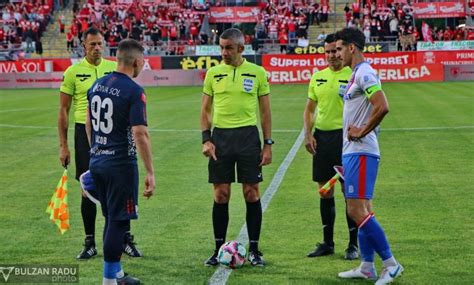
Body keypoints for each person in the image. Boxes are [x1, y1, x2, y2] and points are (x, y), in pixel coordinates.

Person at [58, 27, 142, 260]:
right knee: (87, 190)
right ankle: (89, 242)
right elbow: (63, 111)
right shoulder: (73, 72)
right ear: (83, 46)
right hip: (84, 135)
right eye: (92, 44)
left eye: (100, 44)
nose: (96, 48)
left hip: (114, 134)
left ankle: (124, 239)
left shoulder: (112, 69)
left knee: (121, 188)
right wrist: (63, 145)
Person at [334, 28, 403, 284]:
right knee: (362, 210)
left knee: (356, 210)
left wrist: (362, 130)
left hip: (362, 151)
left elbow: (382, 106)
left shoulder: (364, 72)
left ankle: (390, 264)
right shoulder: (356, 74)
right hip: (354, 152)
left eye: (340, 48)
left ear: (352, 48)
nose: (337, 54)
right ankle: (366, 266)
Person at [200, 28, 272, 267]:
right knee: (221, 195)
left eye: (229, 48)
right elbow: (205, 110)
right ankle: (217, 248)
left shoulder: (258, 73)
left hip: (248, 138)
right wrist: (206, 139)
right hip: (220, 138)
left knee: (251, 192)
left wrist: (267, 144)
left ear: (242, 48)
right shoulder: (213, 73)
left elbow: (265, 112)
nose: (224, 52)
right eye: (221, 47)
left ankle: (254, 250)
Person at [85, 38, 155, 285]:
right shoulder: (134, 91)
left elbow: (88, 123)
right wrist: (150, 172)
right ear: (136, 61)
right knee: (119, 221)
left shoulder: (98, 84)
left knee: (110, 218)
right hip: (120, 165)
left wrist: (96, 150)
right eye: (142, 62)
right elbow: (140, 133)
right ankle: (109, 280)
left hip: (98, 161)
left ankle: (116, 274)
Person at [303, 34, 359, 260]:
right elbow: (308, 110)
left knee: (350, 193)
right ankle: (327, 243)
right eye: (327, 52)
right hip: (322, 140)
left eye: (336, 51)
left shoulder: (354, 75)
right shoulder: (318, 77)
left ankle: (353, 245)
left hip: (346, 141)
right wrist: (308, 135)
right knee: (325, 192)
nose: (332, 55)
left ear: (343, 51)